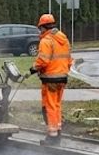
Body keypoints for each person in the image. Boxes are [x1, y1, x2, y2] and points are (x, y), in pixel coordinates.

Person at [29, 13, 72, 144]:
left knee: (50, 107)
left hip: (50, 79)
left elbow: (43, 60)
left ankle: (52, 136)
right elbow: (69, 60)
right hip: (62, 78)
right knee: (57, 105)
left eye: (40, 28)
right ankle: (58, 131)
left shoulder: (46, 41)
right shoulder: (63, 38)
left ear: (43, 27)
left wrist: (34, 68)